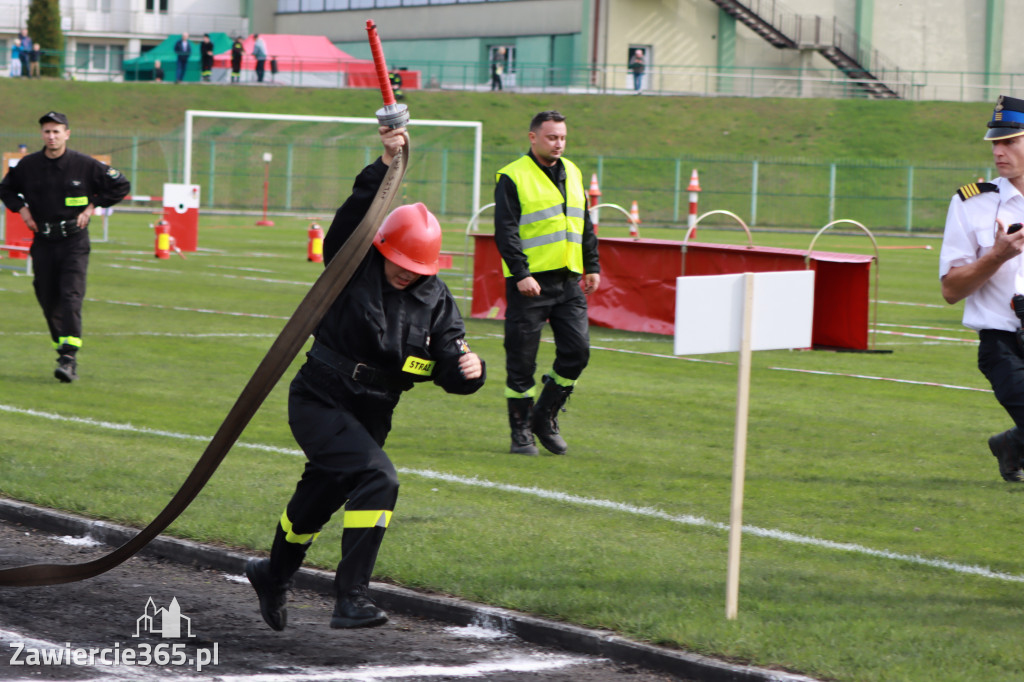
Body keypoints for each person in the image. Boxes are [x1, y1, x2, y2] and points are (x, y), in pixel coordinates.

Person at [245, 126, 485, 631]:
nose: (405, 272)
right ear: (382, 247)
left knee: (319, 496)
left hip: (374, 410)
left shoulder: (438, 300)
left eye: (415, 266)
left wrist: (470, 372)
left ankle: (272, 573)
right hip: (320, 397)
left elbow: (450, 361)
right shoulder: (351, 265)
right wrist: (384, 164)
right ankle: (350, 597)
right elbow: (353, 217)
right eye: (398, 260)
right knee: (379, 477)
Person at [493, 110, 600, 456]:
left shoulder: (573, 171)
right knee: (521, 361)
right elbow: (506, 230)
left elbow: (583, 222)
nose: (559, 144)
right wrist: (521, 273)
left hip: (569, 281)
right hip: (530, 284)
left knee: (577, 352)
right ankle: (520, 432)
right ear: (533, 137)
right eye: (552, 137)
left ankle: (544, 417)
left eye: (563, 138)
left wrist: (592, 265)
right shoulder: (513, 175)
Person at [0, 112, 130, 383]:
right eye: (47, 131)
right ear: (42, 135)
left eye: (57, 131)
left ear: (67, 134)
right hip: (44, 241)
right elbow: (6, 189)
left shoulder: (84, 165)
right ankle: (63, 347)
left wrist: (93, 206)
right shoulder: (28, 165)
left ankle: (69, 357)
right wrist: (22, 210)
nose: (52, 136)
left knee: (70, 295)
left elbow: (120, 185)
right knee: (47, 297)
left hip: (74, 241)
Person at [940, 94, 1024, 482]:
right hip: (1004, 341)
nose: (999, 151)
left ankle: (1012, 444)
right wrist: (996, 256)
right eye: (995, 142)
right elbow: (951, 290)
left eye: (1010, 141)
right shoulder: (971, 204)